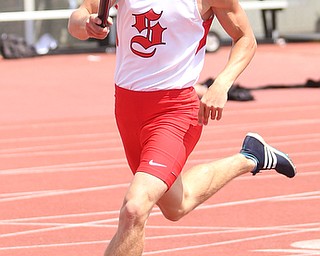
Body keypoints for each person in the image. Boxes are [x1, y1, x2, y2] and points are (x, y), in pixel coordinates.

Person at [68, 0, 296, 255]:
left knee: (135, 208)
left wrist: (221, 84)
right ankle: (251, 157)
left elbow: (245, 38)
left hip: (174, 113)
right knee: (177, 205)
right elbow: (79, 16)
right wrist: (86, 25)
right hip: (127, 111)